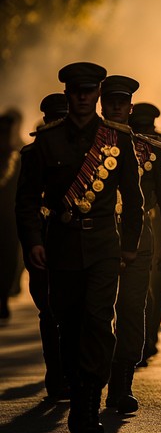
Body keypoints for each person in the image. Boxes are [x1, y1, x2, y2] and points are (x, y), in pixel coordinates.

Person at [15, 62, 144, 433]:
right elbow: (26, 200)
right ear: (69, 94)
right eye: (77, 92)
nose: (84, 98)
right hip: (62, 247)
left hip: (104, 245)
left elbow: (133, 199)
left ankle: (88, 401)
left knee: (98, 322)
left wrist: (130, 246)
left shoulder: (117, 139)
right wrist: (34, 241)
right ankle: (76, 385)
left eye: (90, 91)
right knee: (68, 324)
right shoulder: (47, 141)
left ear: (98, 94)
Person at [101, 79, 161, 413]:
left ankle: (121, 386)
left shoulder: (149, 148)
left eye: (123, 102)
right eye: (112, 101)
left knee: (133, 310)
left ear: (130, 108)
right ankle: (91, 381)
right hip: (95, 235)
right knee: (95, 314)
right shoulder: (86, 142)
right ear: (103, 104)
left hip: (139, 234)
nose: (118, 107)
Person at [22, 93, 69, 399]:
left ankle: (75, 373)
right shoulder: (34, 153)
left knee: (80, 314)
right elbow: (24, 205)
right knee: (50, 313)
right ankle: (56, 372)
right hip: (45, 242)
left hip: (78, 241)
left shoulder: (90, 152)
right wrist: (32, 244)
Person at [126, 102, 161, 365]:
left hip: (153, 221)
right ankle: (135, 342)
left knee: (155, 284)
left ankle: (150, 338)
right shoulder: (121, 140)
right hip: (127, 220)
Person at [0, 114, 21, 323]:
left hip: (10, 218)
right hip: (7, 216)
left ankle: (3, 296)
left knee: (8, 260)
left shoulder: (18, 157)